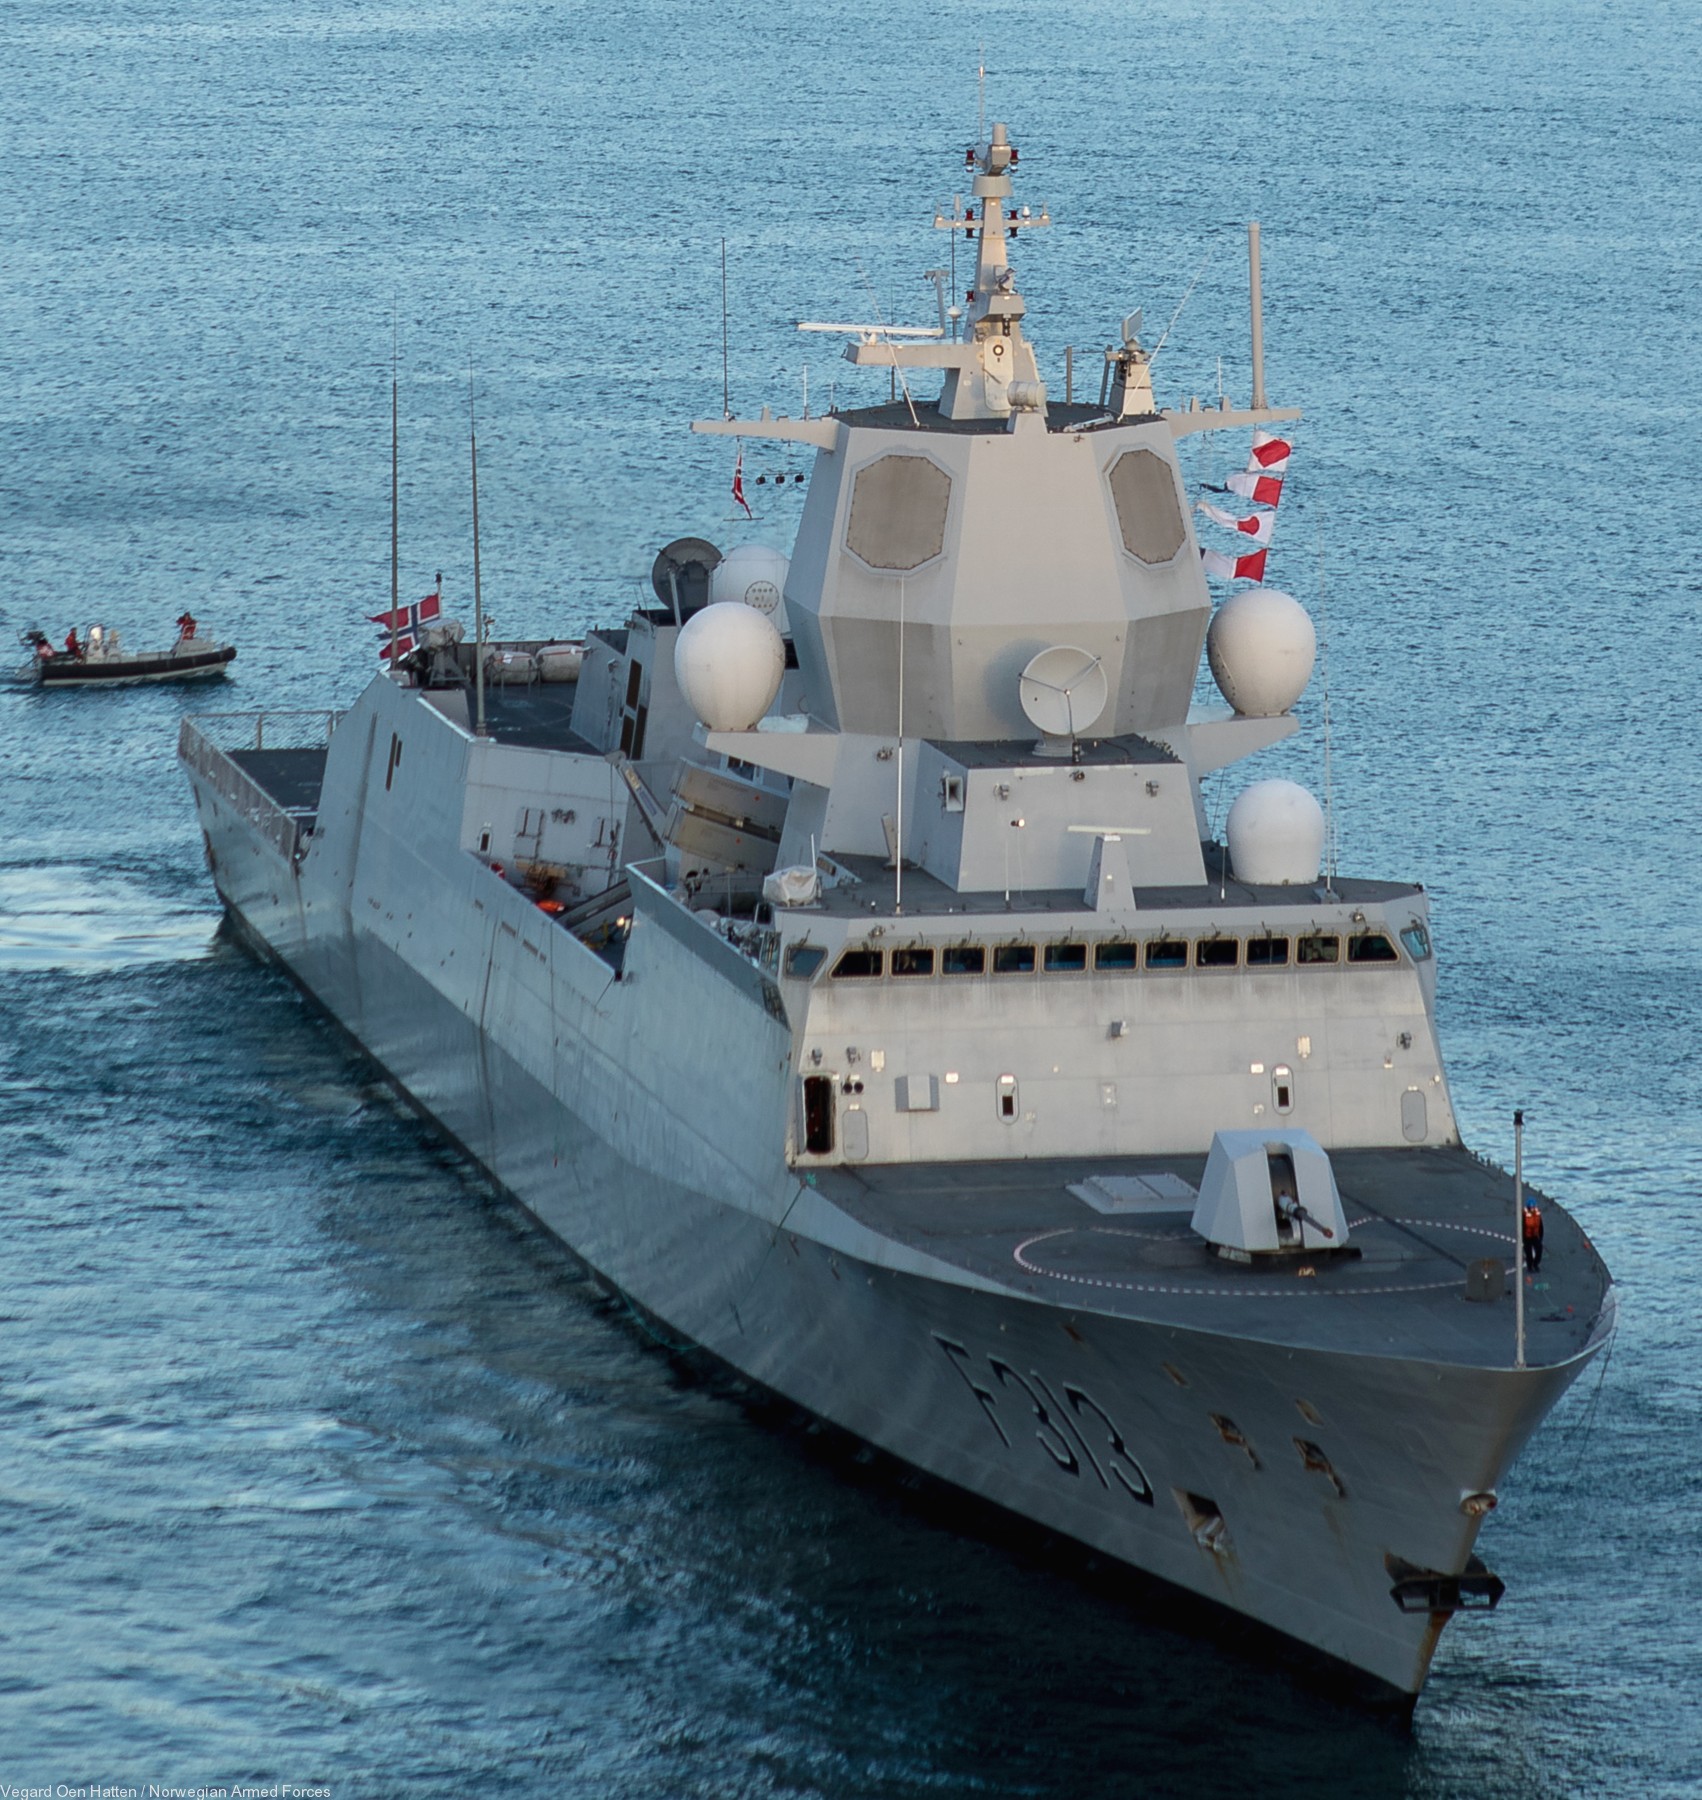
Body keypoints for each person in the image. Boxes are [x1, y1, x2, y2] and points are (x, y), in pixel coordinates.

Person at [1523, 1200, 1544, 1270]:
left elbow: (1540, 1226)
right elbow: (1522, 1226)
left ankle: (1535, 1264)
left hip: (1535, 1236)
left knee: (1539, 1250)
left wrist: (1540, 1237)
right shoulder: (1524, 1215)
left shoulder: (1537, 1214)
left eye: (1533, 1207)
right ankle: (1530, 1266)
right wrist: (1523, 1238)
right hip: (1527, 1237)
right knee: (1529, 1253)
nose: (1532, 1208)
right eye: (1530, 1207)